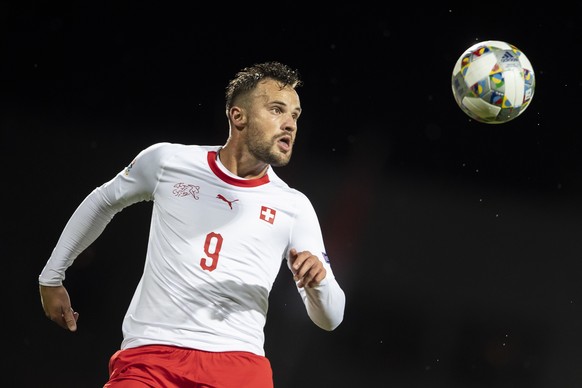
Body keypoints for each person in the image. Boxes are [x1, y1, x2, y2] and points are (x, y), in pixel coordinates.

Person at [39, 61, 346, 388]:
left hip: (238, 368)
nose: (289, 124)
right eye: (276, 110)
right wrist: (51, 277)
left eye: (295, 116)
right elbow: (104, 201)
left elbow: (331, 318)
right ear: (237, 116)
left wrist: (319, 283)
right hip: (152, 359)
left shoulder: (294, 207)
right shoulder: (168, 162)